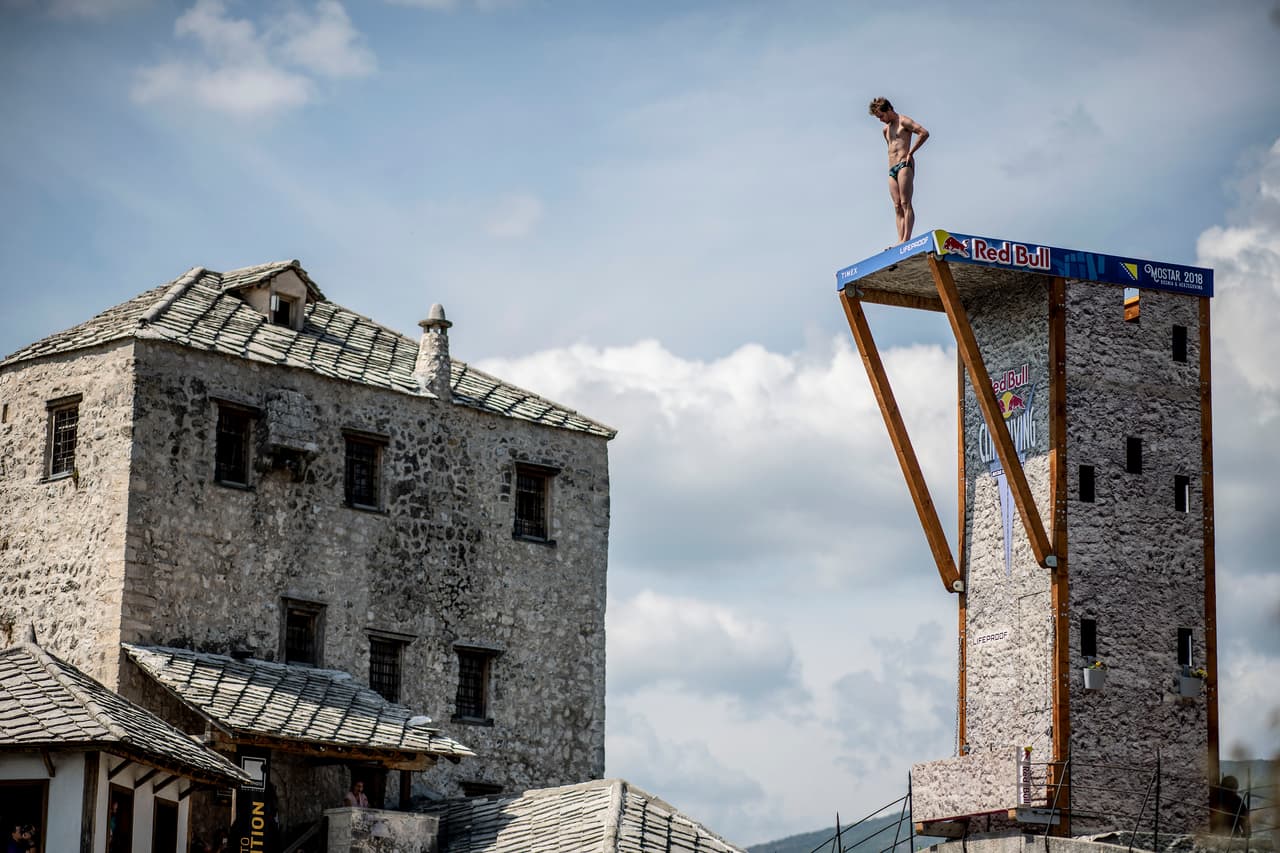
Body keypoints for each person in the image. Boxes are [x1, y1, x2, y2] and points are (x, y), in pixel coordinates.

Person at [868, 97, 929, 243]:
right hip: (892, 169)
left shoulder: (904, 121)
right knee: (897, 206)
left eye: (881, 116)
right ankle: (899, 240)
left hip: (904, 164)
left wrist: (911, 152)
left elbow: (924, 133)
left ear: (888, 109)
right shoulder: (886, 130)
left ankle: (906, 240)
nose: (881, 120)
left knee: (905, 202)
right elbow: (891, 149)